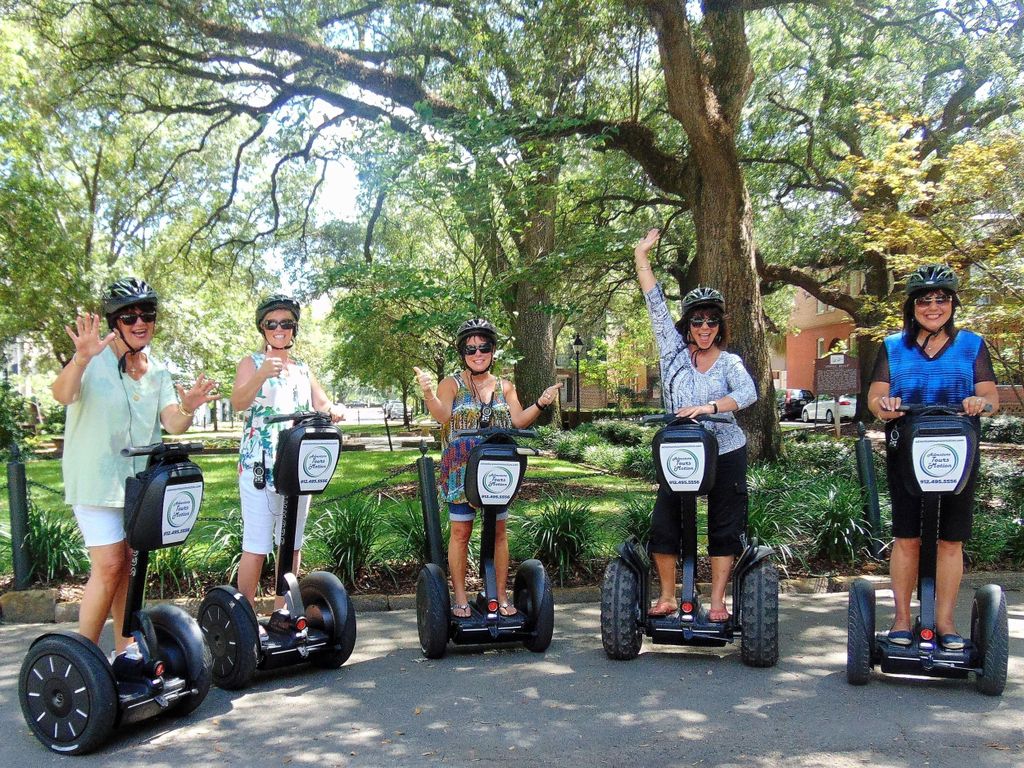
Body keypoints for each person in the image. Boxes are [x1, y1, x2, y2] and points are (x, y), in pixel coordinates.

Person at [52, 278, 218, 654]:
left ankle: (124, 646)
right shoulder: (90, 361)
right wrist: (80, 358)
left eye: (148, 314)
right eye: (129, 316)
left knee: (125, 564)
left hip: (137, 485)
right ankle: (83, 656)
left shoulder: (157, 370)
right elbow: (62, 394)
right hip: (95, 481)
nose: (140, 322)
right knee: (110, 564)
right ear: (115, 322)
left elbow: (172, 423)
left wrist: (188, 406)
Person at [867, 264, 999, 650]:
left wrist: (980, 402)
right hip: (907, 448)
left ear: (952, 304)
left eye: (941, 299)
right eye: (925, 300)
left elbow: (990, 398)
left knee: (950, 541)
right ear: (912, 307)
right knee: (906, 537)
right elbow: (875, 398)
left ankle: (944, 622)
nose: (933, 307)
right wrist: (884, 406)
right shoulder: (893, 346)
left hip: (958, 450)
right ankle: (903, 621)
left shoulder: (971, 345)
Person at [633, 229, 758, 622]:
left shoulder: (730, 362)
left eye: (712, 321)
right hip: (682, 449)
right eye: (697, 320)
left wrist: (708, 406)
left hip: (725, 448)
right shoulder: (672, 353)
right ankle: (669, 595)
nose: (705, 327)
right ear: (687, 324)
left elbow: (748, 393)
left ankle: (718, 600)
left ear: (720, 325)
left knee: (724, 524)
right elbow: (654, 302)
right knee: (665, 523)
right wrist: (641, 255)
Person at [413, 319, 562, 618]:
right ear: (462, 352)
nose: (477, 353)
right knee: (460, 532)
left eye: (484, 347)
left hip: (496, 469)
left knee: (499, 532)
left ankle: (498, 593)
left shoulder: (505, 386)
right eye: (471, 348)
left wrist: (542, 402)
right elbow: (443, 416)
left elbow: (518, 421)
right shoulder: (451, 383)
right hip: (460, 470)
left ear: (493, 350)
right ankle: (459, 596)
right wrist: (428, 392)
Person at [231, 294, 344, 615]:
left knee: (291, 542)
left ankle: (284, 611)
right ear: (263, 327)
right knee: (256, 545)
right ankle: (244, 617)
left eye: (287, 324)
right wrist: (261, 374)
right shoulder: (251, 363)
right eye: (272, 324)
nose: (280, 329)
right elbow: (238, 402)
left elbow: (321, 403)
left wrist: (334, 409)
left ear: (294, 329)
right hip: (259, 465)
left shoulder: (303, 370)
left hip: (297, 464)